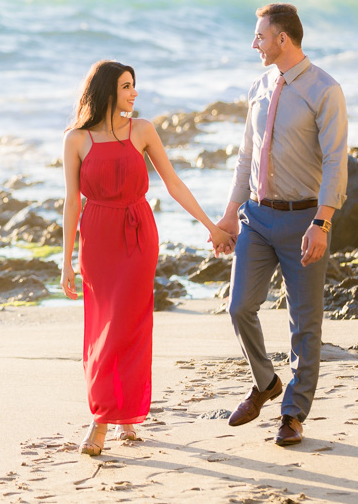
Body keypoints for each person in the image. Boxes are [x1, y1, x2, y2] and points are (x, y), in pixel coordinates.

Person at [60, 60, 234, 456]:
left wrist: (210, 225)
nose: (134, 93)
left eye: (134, 85)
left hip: (138, 233)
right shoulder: (76, 140)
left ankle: (103, 420)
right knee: (103, 328)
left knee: (129, 325)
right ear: (107, 90)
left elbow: (173, 183)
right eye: (126, 86)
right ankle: (119, 414)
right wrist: (66, 259)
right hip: (98, 238)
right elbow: (72, 202)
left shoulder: (143, 131)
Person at [214, 3, 348, 447]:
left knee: (304, 324)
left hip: (303, 220)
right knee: (239, 307)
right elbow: (246, 156)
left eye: (259, 36)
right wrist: (231, 212)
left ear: (282, 39)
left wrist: (323, 222)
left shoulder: (325, 90)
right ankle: (266, 381)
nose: (254, 43)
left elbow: (335, 161)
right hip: (256, 216)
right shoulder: (259, 86)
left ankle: (292, 413)